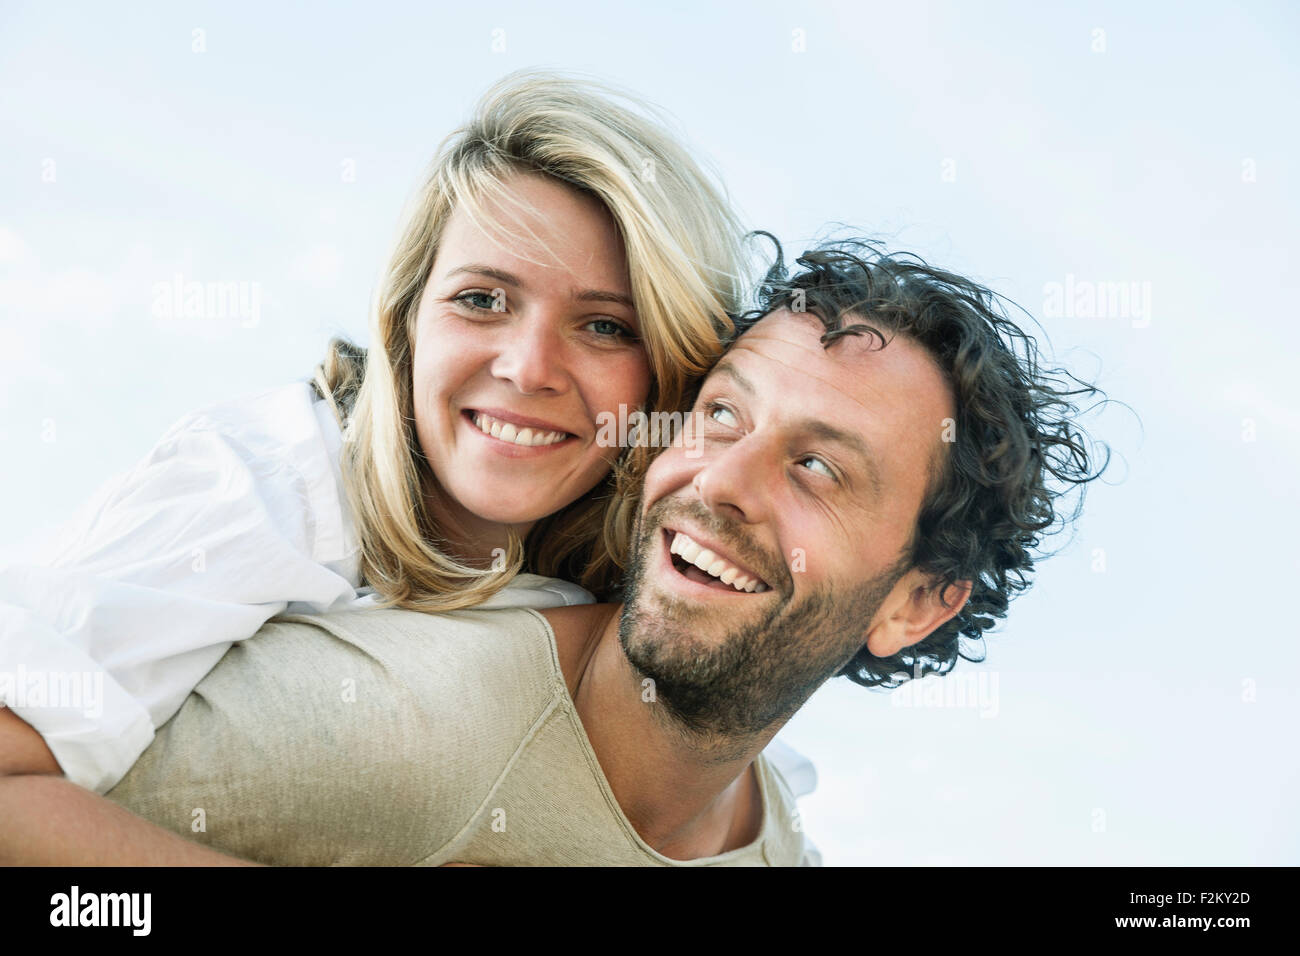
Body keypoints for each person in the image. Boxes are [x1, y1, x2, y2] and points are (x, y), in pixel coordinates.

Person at [0, 239, 1106, 865]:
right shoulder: (403, 723)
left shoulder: (778, 847)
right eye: (721, 416)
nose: (717, 479)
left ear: (915, 601)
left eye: (818, 468)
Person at [0, 68, 810, 797]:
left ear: (668, 374)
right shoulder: (265, 479)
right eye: (483, 300)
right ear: (404, 324)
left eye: (603, 326)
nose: (530, 370)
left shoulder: (650, 595)